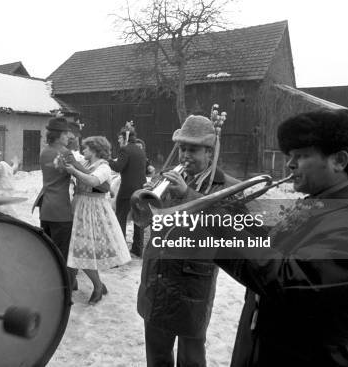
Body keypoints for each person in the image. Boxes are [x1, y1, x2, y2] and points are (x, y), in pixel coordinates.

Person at [212, 109, 348, 367]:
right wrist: (233, 216)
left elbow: (287, 280)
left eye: (300, 155)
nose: (289, 164)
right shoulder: (320, 203)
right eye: (289, 156)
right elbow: (273, 245)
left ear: (339, 160)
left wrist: (219, 233)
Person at [137, 114, 241, 367]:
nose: (184, 155)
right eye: (183, 148)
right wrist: (143, 202)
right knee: (157, 354)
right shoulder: (165, 178)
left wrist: (187, 194)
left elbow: (226, 228)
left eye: (192, 149)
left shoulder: (226, 186)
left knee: (191, 357)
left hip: (192, 282)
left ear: (210, 152)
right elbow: (143, 221)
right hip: (157, 277)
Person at [64, 136, 131, 304]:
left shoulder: (104, 167)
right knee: (74, 248)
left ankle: (98, 286)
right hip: (80, 206)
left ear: (94, 149)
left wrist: (74, 172)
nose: (83, 151)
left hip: (93, 210)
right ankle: (76, 283)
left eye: (85, 148)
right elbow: (74, 158)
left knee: (82, 249)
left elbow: (93, 180)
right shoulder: (86, 163)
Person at [33, 116, 79, 290]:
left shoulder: (44, 151)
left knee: (49, 250)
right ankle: (63, 288)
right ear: (59, 135)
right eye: (66, 133)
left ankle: (49, 282)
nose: (69, 136)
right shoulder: (65, 153)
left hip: (45, 208)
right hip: (61, 210)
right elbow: (83, 172)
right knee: (62, 253)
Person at [109, 122, 147, 256]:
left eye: (119, 138)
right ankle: (138, 248)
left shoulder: (125, 150)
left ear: (124, 138)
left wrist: (107, 160)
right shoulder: (139, 150)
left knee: (121, 218)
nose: (118, 141)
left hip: (127, 190)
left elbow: (118, 167)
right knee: (138, 219)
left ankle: (120, 249)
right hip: (141, 188)